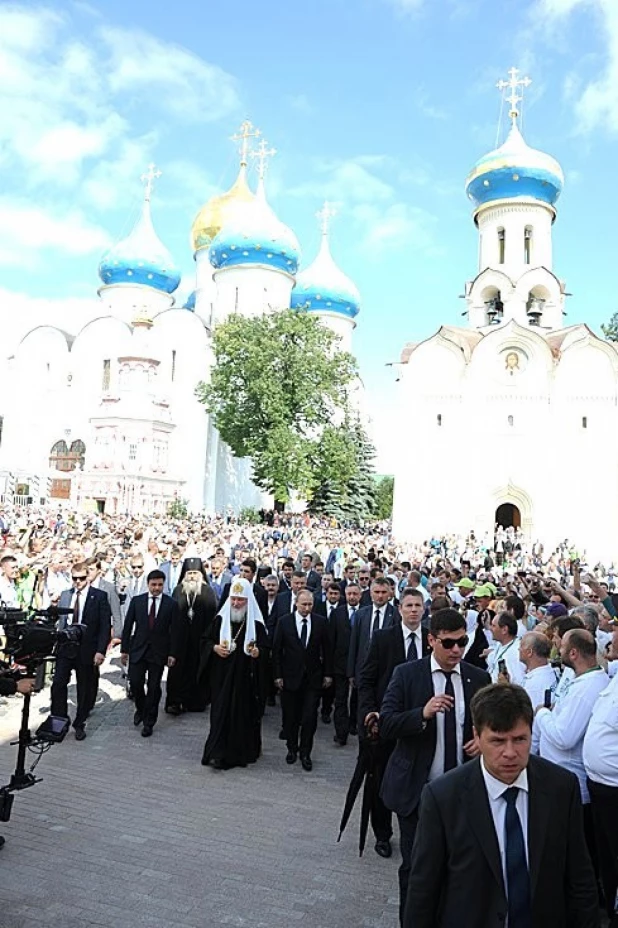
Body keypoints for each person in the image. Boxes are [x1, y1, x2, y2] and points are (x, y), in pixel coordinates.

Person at [404, 683, 599, 928]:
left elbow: (580, 877)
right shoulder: (442, 797)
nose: (510, 752)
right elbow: (423, 890)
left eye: (519, 739)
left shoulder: (561, 788)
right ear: (476, 736)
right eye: (497, 741)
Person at [379, 607, 490, 924]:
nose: (457, 649)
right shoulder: (407, 674)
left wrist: (483, 743)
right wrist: (422, 714)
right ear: (431, 640)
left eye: (462, 642)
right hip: (418, 792)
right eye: (449, 643)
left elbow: (494, 725)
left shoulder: (477, 678)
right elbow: (386, 724)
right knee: (416, 868)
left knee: (459, 869)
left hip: (463, 794)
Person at [357, 587, 431, 858]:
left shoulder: (432, 640)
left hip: (422, 723)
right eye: (408, 605)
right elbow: (365, 679)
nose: (413, 610)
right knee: (381, 782)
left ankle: (418, 833)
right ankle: (383, 834)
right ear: (399, 609)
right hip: (387, 723)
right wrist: (369, 712)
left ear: (424, 609)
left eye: (418, 605)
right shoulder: (383, 638)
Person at [535, 628, 608, 872]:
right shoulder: (580, 680)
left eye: (563, 646)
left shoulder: (589, 687)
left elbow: (564, 737)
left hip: (571, 784)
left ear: (574, 653)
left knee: (576, 857)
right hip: (561, 780)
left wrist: (542, 713)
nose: (558, 649)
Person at [200, 577, 267, 770]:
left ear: (248, 601)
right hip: (221, 678)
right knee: (220, 713)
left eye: (241, 600)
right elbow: (204, 640)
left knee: (241, 715)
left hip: (245, 680)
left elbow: (266, 648)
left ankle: (239, 754)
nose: (236, 604)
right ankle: (216, 753)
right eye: (234, 599)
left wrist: (258, 652)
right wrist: (214, 648)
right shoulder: (221, 619)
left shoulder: (256, 624)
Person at [272, 588, 333, 771]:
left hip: (313, 679)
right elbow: (276, 651)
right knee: (290, 717)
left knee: (309, 718)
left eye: (310, 605)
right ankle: (292, 748)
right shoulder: (285, 622)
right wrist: (277, 675)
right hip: (290, 678)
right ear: (296, 604)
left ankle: (306, 752)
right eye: (304, 604)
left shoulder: (321, 623)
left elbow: (328, 650)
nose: (307, 608)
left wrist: (328, 674)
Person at [51, 562, 112, 741]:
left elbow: (104, 626)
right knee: (58, 684)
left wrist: (101, 651)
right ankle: (58, 721)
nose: (78, 582)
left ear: (88, 577)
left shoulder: (99, 596)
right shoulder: (65, 595)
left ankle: (80, 722)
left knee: (84, 688)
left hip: (87, 648)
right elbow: (61, 621)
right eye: (75, 578)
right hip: (66, 648)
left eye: (82, 578)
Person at [583, 628, 618, 927]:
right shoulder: (614, 675)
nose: (611, 637)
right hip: (600, 787)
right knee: (607, 860)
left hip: (615, 791)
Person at [120, 569, 182, 738]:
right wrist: (124, 650)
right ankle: (141, 708)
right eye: (153, 585)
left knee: (154, 688)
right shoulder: (137, 602)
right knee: (136, 683)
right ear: (148, 584)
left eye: (160, 585)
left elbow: (175, 631)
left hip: (158, 652)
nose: (156, 588)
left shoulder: (171, 604)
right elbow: (128, 626)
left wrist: (172, 653)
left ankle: (149, 721)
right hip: (138, 650)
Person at [165, 557, 216, 714]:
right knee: (178, 671)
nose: (192, 576)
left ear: (200, 574)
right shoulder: (178, 590)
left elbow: (213, 617)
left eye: (195, 573)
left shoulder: (208, 592)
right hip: (180, 640)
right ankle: (175, 702)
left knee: (198, 669)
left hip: (200, 639)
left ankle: (197, 701)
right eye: (190, 573)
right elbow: (171, 616)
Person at [331, 582, 361, 746]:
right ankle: (341, 733)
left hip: (359, 664)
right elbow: (331, 639)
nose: (352, 597)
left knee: (356, 698)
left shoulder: (364, 613)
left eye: (355, 594)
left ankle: (353, 724)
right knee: (341, 699)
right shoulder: (337, 614)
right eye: (349, 594)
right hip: (340, 664)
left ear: (360, 595)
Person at [488, 611, 526, 684]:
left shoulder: (515, 653)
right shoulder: (500, 644)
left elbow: (518, 683)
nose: (490, 628)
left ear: (504, 630)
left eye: (493, 626)